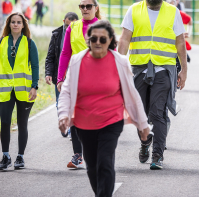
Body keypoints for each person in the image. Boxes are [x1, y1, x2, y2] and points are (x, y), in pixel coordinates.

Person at [57, 20, 150, 197]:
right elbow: (67, 91)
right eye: (94, 39)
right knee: (92, 168)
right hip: (84, 124)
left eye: (102, 39)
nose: (97, 43)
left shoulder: (120, 62)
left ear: (110, 41)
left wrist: (143, 124)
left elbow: (132, 94)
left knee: (105, 163)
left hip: (111, 121)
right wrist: (63, 115)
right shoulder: (77, 61)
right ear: (88, 41)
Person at [118, 0, 188, 170]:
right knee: (140, 114)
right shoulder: (134, 10)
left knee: (158, 112)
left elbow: (180, 42)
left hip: (163, 69)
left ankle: (157, 155)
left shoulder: (172, 12)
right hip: (139, 69)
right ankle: (145, 141)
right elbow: (124, 40)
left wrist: (184, 70)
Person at [0, 12, 39, 171]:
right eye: (13, 22)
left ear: (23, 25)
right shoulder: (1, 42)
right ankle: (5, 156)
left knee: (22, 124)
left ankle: (20, 157)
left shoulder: (30, 43)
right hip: (4, 89)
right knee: (4, 123)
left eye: (19, 22)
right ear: (8, 24)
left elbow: (35, 66)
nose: (16, 24)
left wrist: (34, 86)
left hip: (24, 90)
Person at [57, 0, 102, 169]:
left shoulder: (102, 27)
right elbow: (65, 53)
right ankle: (77, 154)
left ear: (95, 8)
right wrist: (60, 78)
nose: (84, 9)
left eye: (88, 6)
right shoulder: (73, 27)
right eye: (81, 6)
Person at [45, 12, 79, 107]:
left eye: (72, 26)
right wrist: (48, 73)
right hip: (61, 76)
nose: (69, 28)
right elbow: (50, 56)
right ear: (63, 21)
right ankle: (63, 121)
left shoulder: (82, 33)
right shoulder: (56, 35)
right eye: (67, 25)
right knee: (60, 104)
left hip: (76, 76)